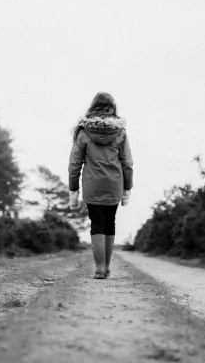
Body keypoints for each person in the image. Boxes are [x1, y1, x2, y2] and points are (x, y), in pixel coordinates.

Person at [68, 92, 133, 279]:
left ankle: (99, 268)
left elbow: (74, 164)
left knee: (97, 222)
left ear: (93, 107)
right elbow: (127, 163)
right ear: (112, 108)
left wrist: (73, 190)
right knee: (110, 222)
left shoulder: (83, 132)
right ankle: (107, 267)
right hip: (114, 184)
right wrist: (127, 188)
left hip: (92, 184)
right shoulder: (120, 133)